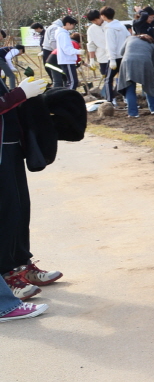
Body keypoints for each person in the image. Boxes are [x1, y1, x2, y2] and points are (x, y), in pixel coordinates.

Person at [0, 76, 58, 322]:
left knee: (20, 208)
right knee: (6, 213)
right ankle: (7, 275)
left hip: (10, 145)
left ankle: (20, 265)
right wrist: (19, 94)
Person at [117, 28, 154, 117]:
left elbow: (121, 52)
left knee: (129, 87)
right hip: (146, 62)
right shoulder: (153, 44)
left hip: (128, 62)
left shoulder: (130, 38)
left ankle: (133, 113)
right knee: (149, 86)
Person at [100, 7, 132, 104]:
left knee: (108, 79)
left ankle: (110, 100)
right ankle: (127, 98)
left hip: (115, 57)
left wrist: (112, 59)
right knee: (125, 78)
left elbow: (110, 45)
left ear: (104, 16)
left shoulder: (109, 29)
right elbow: (129, 38)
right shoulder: (121, 26)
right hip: (124, 56)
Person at [44, 16, 79, 89]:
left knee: (68, 81)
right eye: (73, 24)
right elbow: (66, 48)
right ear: (67, 23)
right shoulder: (62, 34)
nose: (73, 26)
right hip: (66, 60)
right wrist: (77, 51)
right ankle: (69, 97)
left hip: (64, 59)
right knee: (71, 82)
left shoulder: (63, 33)